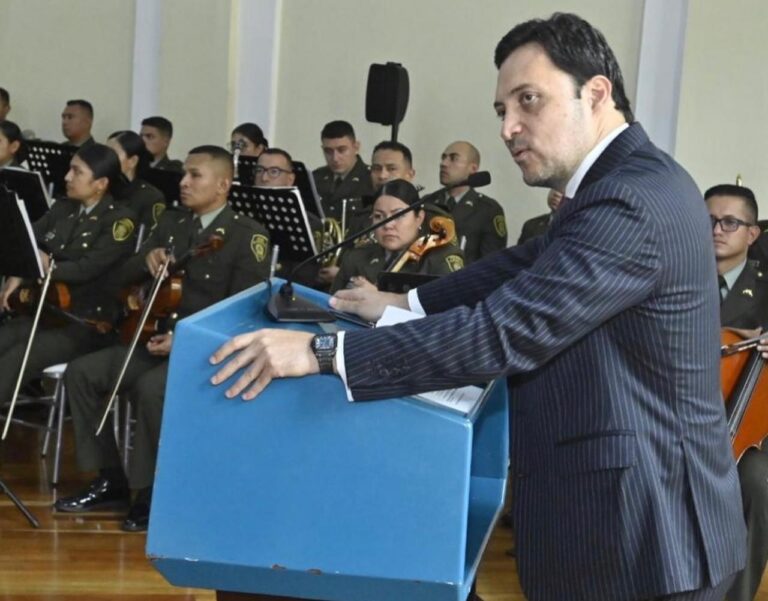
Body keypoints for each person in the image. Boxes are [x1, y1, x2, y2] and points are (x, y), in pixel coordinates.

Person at [209, 13, 746, 601]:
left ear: (595, 93)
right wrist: (403, 300)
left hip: (648, 535)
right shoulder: (621, 182)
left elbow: (504, 332)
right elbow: (524, 261)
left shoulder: (630, 198)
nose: (509, 127)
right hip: (629, 519)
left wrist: (322, 352)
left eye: (528, 100)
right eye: (501, 110)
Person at [54, 145, 270, 532]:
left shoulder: (245, 235)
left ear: (223, 185)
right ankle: (109, 477)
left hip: (203, 349)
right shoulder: (172, 223)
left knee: (150, 389)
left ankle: (151, 491)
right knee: (83, 373)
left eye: (195, 175)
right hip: (152, 337)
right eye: (184, 173)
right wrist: (146, 258)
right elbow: (119, 278)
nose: (183, 182)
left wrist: (186, 340)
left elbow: (243, 313)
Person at [0, 144, 135, 408]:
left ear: (101, 183)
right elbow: (26, 240)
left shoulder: (120, 221)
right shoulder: (64, 208)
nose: (67, 177)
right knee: (4, 338)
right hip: (48, 312)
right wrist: (20, 272)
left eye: (77, 171)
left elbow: (87, 268)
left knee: (20, 356)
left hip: (86, 322)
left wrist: (46, 265)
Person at [706, 183, 768, 601]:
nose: (717, 230)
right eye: (709, 220)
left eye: (730, 222)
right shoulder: (672, 274)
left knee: (759, 481)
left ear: (752, 233)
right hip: (673, 418)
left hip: (748, 426)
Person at [331, 179, 463, 293]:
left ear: (419, 218)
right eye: (378, 216)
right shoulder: (356, 257)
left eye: (399, 215)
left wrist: (379, 298)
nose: (388, 225)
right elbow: (332, 303)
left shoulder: (439, 259)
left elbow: (449, 310)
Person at [421, 141, 506, 264]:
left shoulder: (487, 210)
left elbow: (491, 263)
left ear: (473, 169)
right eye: (443, 157)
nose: (443, 163)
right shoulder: (427, 203)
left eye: (453, 158)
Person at [312, 120, 373, 221]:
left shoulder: (371, 179)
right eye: (328, 151)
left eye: (341, 150)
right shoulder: (316, 178)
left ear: (356, 147)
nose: (335, 158)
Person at [107, 130, 166, 232]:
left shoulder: (150, 197)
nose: (104, 159)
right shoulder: (99, 187)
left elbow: (149, 236)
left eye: (112, 153)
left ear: (132, 161)